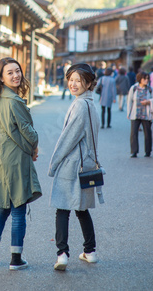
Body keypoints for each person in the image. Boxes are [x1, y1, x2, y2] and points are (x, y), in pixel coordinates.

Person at [0, 57, 42, 270]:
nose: (16, 75)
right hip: (14, 160)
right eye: (10, 72)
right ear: (1, 77)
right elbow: (26, 133)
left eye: (17, 71)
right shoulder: (14, 101)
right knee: (18, 206)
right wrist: (34, 145)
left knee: (3, 204)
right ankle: (16, 258)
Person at [49, 63, 104, 271]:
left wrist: (53, 163)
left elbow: (67, 139)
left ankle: (62, 254)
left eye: (78, 80)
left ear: (88, 83)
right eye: (70, 79)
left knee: (62, 208)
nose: (73, 84)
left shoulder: (79, 105)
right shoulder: (91, 104)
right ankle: (90, 251)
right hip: (87, 165)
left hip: (72, 166)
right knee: (82, 209)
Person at [127, 71, 153, 158]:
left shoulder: (150, 89)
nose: (146, 80)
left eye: (147, 79)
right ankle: (134, 151)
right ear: (140, 79)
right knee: (133, 133)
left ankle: (148, 151)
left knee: (148, 133)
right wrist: (128, 113)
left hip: (146, 114)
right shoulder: (134, 88)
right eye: (144, 79)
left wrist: (148, 101)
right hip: (135, 114)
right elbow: (129, 101)